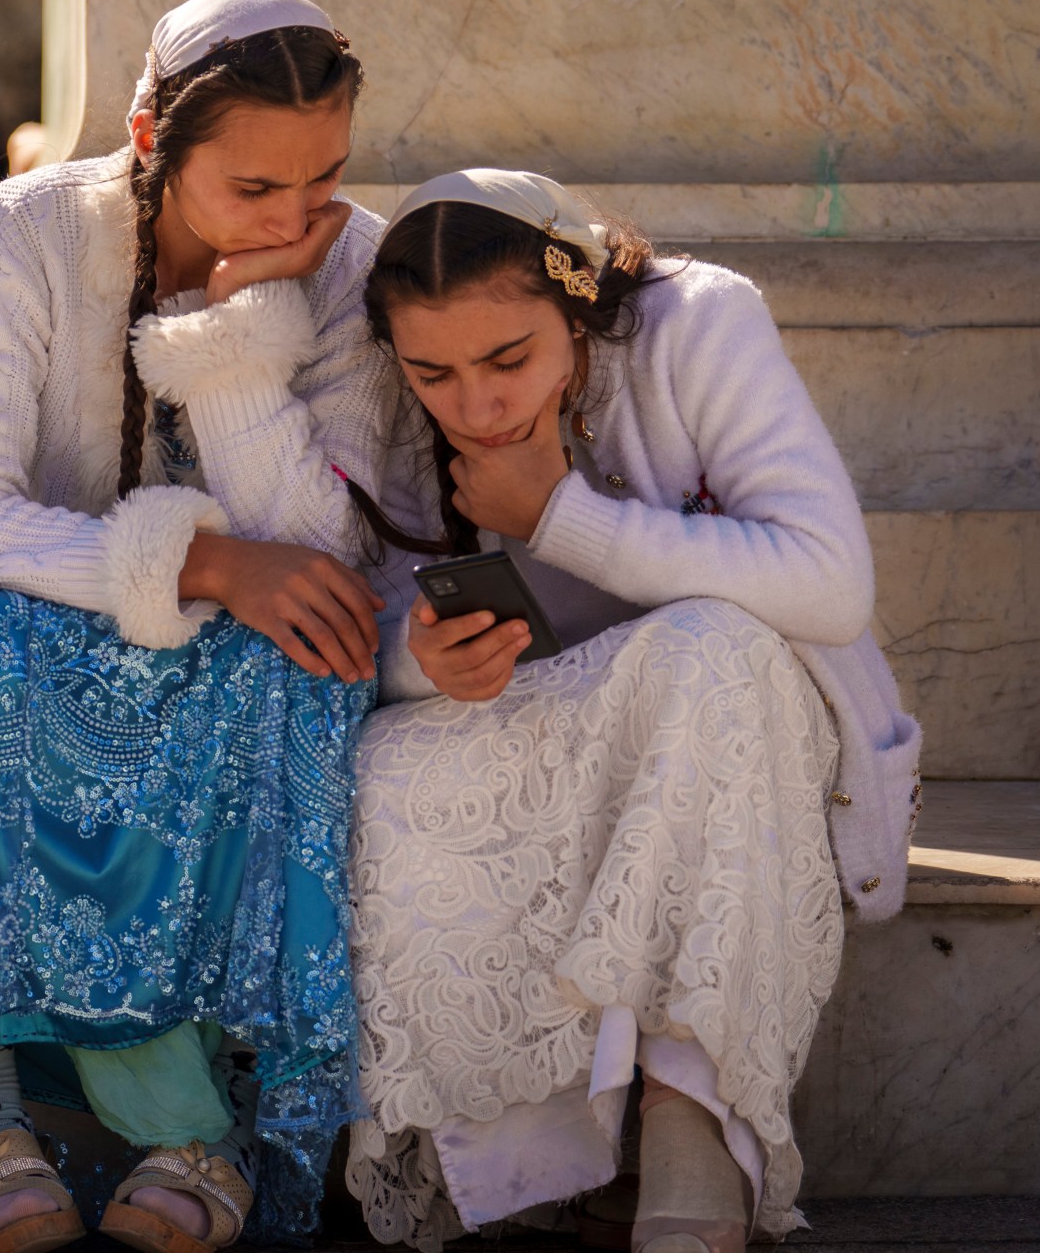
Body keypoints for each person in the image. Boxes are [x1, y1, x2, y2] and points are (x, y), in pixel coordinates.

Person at [0, 0, 396, 1253]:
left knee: (310, 660)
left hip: (233, 663)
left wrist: (239, 325)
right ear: (151, 136)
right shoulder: (31, 226)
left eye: (322, 178)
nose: (297, 215)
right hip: (41, 632)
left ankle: (211, 1128)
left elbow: (320, 557)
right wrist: (202, 564)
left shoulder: (349, 258)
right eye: (254, 189)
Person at [335, 172, 923, 1253]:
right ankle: (544, 1149)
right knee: (387, 765)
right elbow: (366, 620)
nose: (474, 405)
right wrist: (420, 659)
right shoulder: (395, 390)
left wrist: (559, 517)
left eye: (509, 359)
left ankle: (687, 1117)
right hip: (562, 718)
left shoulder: (698, 322)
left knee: (705, 652)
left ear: (582, 309)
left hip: (750, 712)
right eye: (435, 373)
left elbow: (830, 582)